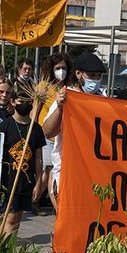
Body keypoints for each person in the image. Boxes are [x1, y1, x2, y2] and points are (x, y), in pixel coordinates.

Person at [42, 52, 107, 204]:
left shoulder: (103, 100)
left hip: (94, 176)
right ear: (78, 74)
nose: (95, 80)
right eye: (91, 75)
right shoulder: (67, 97)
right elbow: (48, 131)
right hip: (68, 173)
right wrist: (59, 108)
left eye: (99, 76)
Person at [0, 94, 46, 235]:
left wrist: (38, 182)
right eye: (21, 100)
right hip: (9, 179)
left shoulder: (36, 128)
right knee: (10, 218)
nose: (25, 104)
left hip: (26, 180)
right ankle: (0, 248)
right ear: (12, 102)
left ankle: (9, 247)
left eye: (28, 101)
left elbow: (38, 158)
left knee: (17, 218)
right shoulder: (5, 126)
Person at [34, 52, 72, 212]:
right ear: (51, 69)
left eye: (64, 67)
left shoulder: (69, 87)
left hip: (63, 136)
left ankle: (48, 202)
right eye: (58, 68)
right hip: (46, 135)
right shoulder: (44, 87)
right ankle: (43, 200)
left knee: (51, 171)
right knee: (49, 170)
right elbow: (35, 111)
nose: (61, 71)